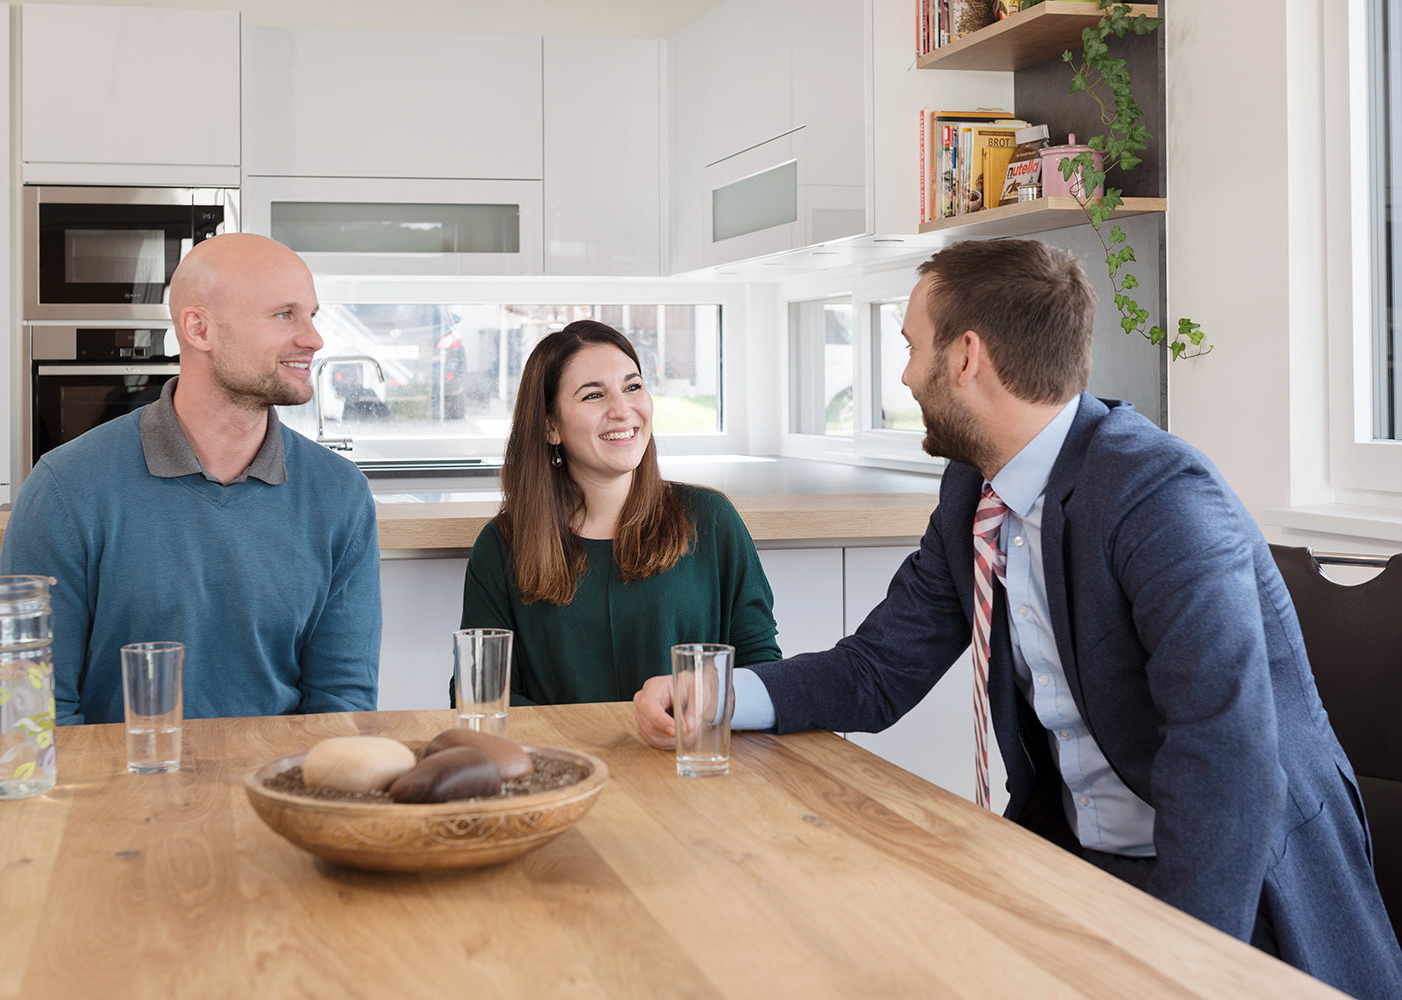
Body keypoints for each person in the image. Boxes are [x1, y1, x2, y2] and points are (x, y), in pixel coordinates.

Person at [631, 239, 1402, 998]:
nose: (902, 375)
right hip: (1077, 859)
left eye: (909, 346)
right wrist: (722, 696)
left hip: (1233, 895)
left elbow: (1223, 757)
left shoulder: (1159, 495)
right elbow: (877, 669)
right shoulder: (974, 491)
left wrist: (1183, 964)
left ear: (965, 357)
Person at [1, 234, 382, 726]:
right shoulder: (65, 489)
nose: (313, 338)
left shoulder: (339, 494)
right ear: (199, 329)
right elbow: (37, 712)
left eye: (312, 315)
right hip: (119, 793)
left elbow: (342, 702)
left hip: (276, 792)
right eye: (284, 314)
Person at [460, 319, 780, 704]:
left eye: (632, 387)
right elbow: (480, 697)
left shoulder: (712, 521)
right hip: (564, 763)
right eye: (593, 396)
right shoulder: (502, 545)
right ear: (550, 427)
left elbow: (761, 671)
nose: (622, 409)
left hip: (686, 759)